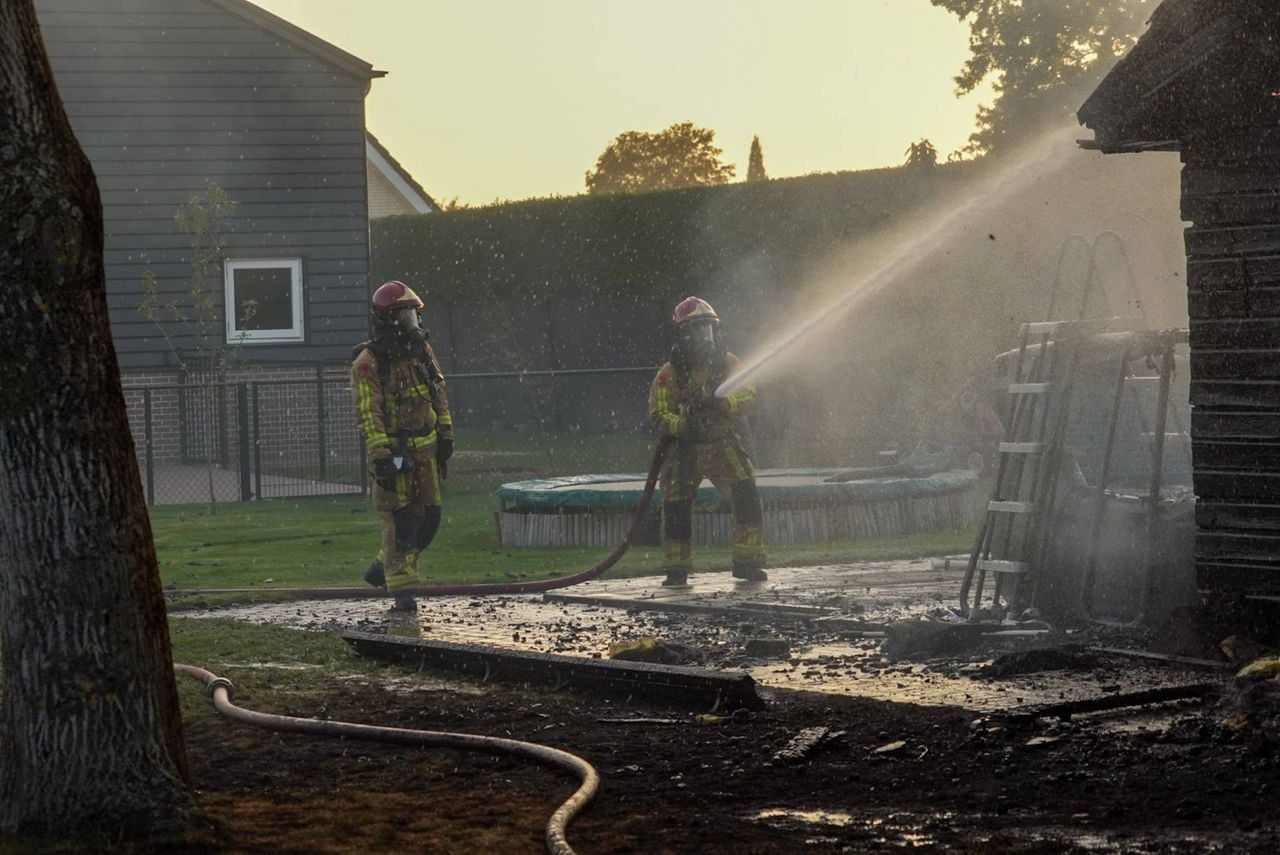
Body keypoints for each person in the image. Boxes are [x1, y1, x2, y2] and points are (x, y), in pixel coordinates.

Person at [649, 296, 766, 587]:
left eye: (709, 328)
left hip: (721, 444)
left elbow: (748, 394)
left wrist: (724, 404)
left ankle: (748, 563)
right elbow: (659, 412)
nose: (705, 336)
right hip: (684, 448)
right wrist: (683, 424)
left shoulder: (729, 364)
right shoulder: (669, 373)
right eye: (697, 330)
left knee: (746, 494)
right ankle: (677, 569)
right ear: (682, 334)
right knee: (676, 508)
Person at [351, 280, 454, 610]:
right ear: (386, 319)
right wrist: (382, 455)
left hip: (426, 452)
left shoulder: (422, 352)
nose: (411, 323)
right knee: (401, 522)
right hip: (395, 454)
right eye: (404, 316)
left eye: (413, 315)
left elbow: (438, 392)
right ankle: (403, 593)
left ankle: (381, 568)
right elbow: (369, 413)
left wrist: (446, 435)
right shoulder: (369, 362)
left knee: (429, 519)